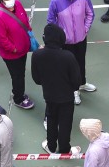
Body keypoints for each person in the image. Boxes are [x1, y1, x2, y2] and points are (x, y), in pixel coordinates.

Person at [32, 24, 82, 156]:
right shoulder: (68, 56)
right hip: (66, 96)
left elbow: (36, 79)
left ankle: (51, 146)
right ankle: (65, 148)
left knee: (51, 119)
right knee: (65, 123)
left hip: (49, 95)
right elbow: (77, 81)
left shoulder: (37, 55)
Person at [0, 0, 35, 109]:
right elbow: (1, 39)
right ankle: (18, 98)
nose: (11, 1)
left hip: (23, 49)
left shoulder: (18, 4)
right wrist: (14, 49)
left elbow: (24, 19)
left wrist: (28, 31)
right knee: (17, 76)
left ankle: (19, 92)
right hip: (12, 55)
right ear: (1, 0)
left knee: (20, 74)